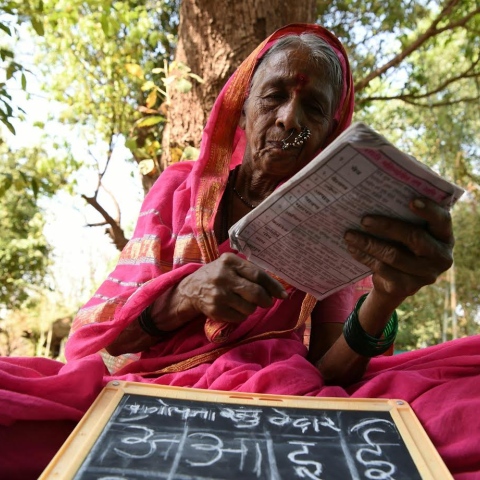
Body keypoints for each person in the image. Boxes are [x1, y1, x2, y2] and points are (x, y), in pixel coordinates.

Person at [0, 23, 479, 479]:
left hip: (277, 399)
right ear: (242, 103)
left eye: (313, 108)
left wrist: (385, 299)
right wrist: (185, 294)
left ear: (331, 129)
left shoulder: (341, 222)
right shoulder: (177, 192)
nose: (290, 117)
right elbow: (99, 343)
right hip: (150, 393)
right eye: (274, 96)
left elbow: (333, 378)